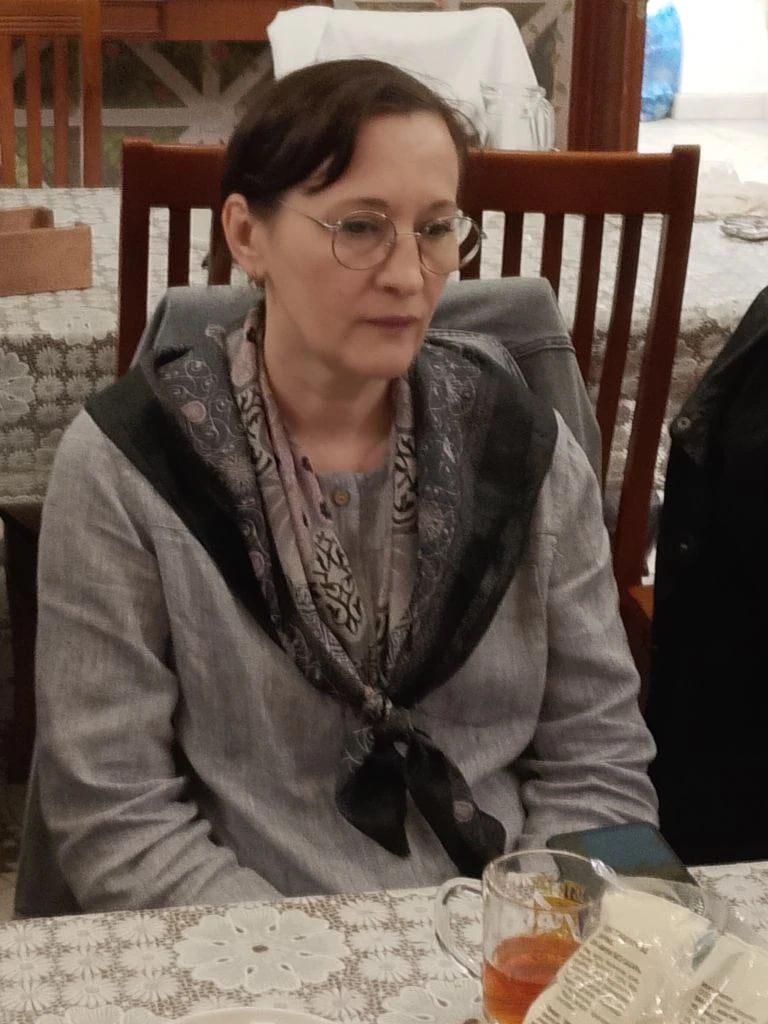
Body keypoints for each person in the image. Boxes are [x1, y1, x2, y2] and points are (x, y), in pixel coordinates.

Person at [16, 58, 657, 916]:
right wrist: (312, 965)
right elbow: (116, 813)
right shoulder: (132, 467)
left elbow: (600, 755)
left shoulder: (518, 447)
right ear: (247, 235)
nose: (409, 274)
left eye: (436, 228)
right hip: (246, 939)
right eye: (361, 227)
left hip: (510, 927)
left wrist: (534, 936)